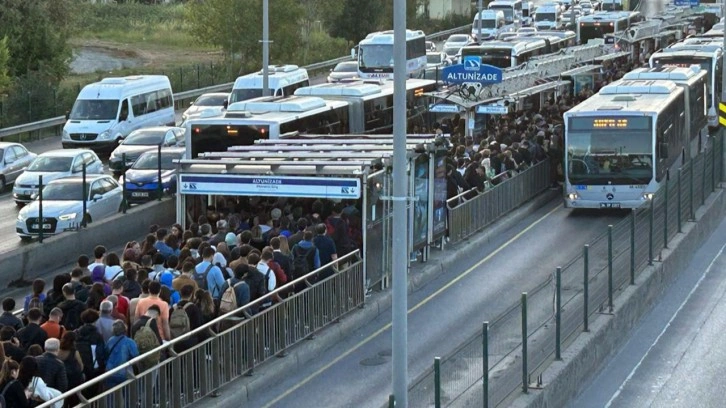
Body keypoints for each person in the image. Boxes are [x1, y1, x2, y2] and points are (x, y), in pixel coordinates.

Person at [104, 320, 138, 390]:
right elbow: (136, 355)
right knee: (127, 395)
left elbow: (106, 354)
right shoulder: (129, 341)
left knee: (111, 395)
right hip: (124, 372)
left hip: (110, 372)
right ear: (125, 329)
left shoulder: (110, 340)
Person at [57, 331, 84, 406]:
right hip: (74, 380)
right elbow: (81, 365)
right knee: (74, 401)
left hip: (62, 379)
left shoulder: (58, 352)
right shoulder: (74, 352)